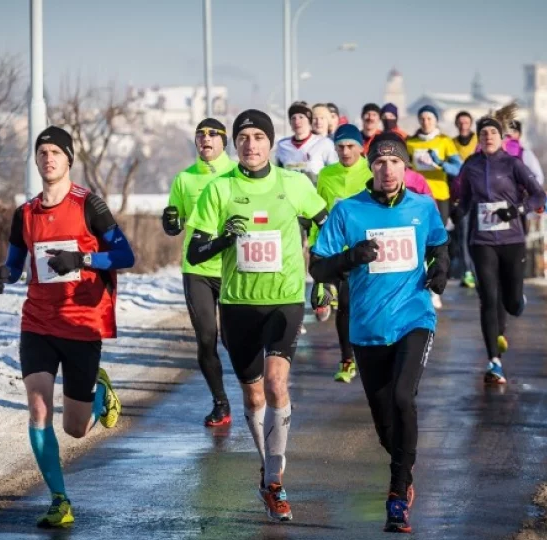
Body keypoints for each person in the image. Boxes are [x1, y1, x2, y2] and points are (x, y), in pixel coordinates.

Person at [186, 109, 329, 523]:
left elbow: (326, 224)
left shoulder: (293, 183)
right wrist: (222, 240)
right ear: (236, 144)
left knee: (276, 382)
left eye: (259, 137)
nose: (251, 144)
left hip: (284, 298)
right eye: (243, 137)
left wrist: (321, 275)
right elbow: (196, 252)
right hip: (237, 304)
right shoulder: (218, 190)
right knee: (252, 395)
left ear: (270, 143)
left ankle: (273, 477)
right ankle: (269, 470)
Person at [0, 126, 134, 528]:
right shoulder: (25, 213)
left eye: (56, 152)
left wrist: (82, 260)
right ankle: (59, 499)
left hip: (82, 322)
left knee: (75, 429)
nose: (49, 158)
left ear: (69, 159)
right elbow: (17, 266)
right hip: (37, 322)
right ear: (36, 161)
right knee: (37, 409)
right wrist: (3, 275)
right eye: (42, 152)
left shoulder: (89, 205)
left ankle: (100, 396)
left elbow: (125, 255)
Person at [310, 132, 449, 534]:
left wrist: (440, 269)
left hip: (413, 318)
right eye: (379, 163)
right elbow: (318, 267)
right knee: (385, 422)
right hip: (367, 327)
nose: (387, 170)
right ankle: (403, 464)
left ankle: (396, 494)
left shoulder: (423, 207)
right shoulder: (347, 212)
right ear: (370, 167)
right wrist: (351, 257)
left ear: (405, 167)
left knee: (404, 397)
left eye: (395, 162)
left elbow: (439, 245)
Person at [457, 108, 546, 384]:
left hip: (512, 240)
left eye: (493, 132)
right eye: (483, 133)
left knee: (510, 301)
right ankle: (494, 361)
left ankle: (517, 301)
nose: (488, 137)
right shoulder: (470, 166)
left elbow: (539, 195)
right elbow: (463, 198)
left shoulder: (513, 164)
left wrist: (518, 209)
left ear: (501, 137)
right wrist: (456, 212)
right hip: (481, 241)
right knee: (488, 298)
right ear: (478, 138)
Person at [162, 118, 237, 427]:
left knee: (236, 340)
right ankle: (220, 402)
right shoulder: (185, 179)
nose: (205, 138)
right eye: (200, 134)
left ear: (224, 142)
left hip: (233, 267)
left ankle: (257, 390)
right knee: (207, 339)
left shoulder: (236, 174)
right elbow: (175, 220)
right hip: (197, 268)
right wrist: (169, 222)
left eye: (213, 134)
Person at [310, 123, 370, 384]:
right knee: (344, 306)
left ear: (360, 147)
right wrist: (316, 248)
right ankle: (347, 359)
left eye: (350, 146)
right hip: (337, 251)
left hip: (367, 250)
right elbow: (319, 212)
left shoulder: (371, 171)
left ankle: (372, 355)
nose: (345, 152)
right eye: (340, 147)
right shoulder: (326, 175)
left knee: (364, 306)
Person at [405, 105, 462, 309]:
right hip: (416, 196)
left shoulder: (444, 141)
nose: (426, 122)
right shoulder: (410, 142)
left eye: (430, 118)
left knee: (436, 240)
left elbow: (459, 168)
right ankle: (418, 284)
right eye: (422, 118)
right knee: (416, 241)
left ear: (436, 120)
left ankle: (435, 286)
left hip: (439, 195)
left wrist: (441, 164)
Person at [275, 102, 338, 183]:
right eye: (293, 118)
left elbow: (335, 172)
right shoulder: (282, 145)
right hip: (291, 193)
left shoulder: (324, 143)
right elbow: (277, 173)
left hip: (315, 193)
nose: (297, 121)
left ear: (309, 120)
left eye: (301, 117)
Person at [451, 111, 478, 289]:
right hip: (461, 196)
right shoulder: (451, 144)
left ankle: (480, 271)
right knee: (463, 236)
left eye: (466, 122)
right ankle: (467, 272)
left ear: (471, 124)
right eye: (460, 122)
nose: (463, 125)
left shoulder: (479, 142)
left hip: (480, 196)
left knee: (479, 236)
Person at [504, 119, 545, 185]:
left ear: (519, 134)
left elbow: (539, 176)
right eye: (508, 132)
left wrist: (531, 191)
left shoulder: (525, 153)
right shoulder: (499, 152)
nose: (510, 134)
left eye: (514, 131)